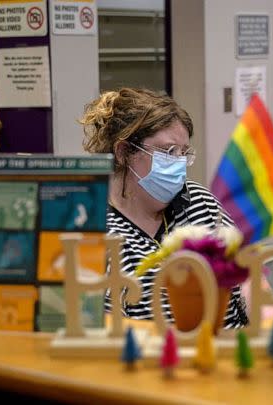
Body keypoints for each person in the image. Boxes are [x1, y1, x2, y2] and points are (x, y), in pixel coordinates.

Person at [80, 87, 248, 329]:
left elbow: (247, 275)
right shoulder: (95, 230)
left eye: (184, 153)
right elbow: (96, 325)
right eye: (169, 152)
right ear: (124, 152)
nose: (180, 163)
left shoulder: (198, 201)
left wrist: (264, 319)